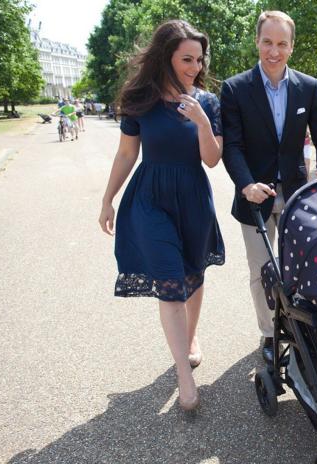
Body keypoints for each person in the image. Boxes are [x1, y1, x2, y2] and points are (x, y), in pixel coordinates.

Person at [98, 20, 225, 413]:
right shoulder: (140, 99)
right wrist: (107, 200)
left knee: (193, 272)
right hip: (150, 197)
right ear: (165, 56)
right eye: (186, 58)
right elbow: (125, 154)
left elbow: (212, 159)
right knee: (170, 280)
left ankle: (190, 339)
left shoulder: (208, 101)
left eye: (199, 60)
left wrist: (202, 121)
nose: (194, 67)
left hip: (192, 196)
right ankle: (184, 377)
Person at [220, 10, 317, 364]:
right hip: (253, 199)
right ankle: (269, 335)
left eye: (281, 44)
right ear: (257, 41)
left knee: (301, 269)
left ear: (292, 46)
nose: (274, 51)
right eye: (268, 42)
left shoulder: (308, 86)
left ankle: (302, 327)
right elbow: (233, 147)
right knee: (262, 271)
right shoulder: (235, 88)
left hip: (298, 198)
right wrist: (245, 185)